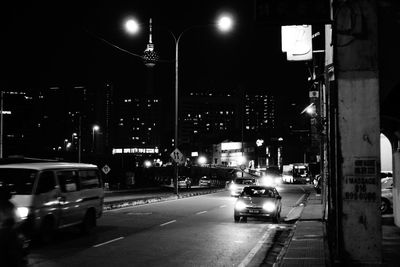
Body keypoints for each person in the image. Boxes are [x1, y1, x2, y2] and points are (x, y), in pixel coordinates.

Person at [0, 186, 27, 267]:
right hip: (9, 234)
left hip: (8, 234)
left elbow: (17, 221)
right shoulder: (11, 205)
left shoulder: (10, 206)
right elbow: (18, 221)